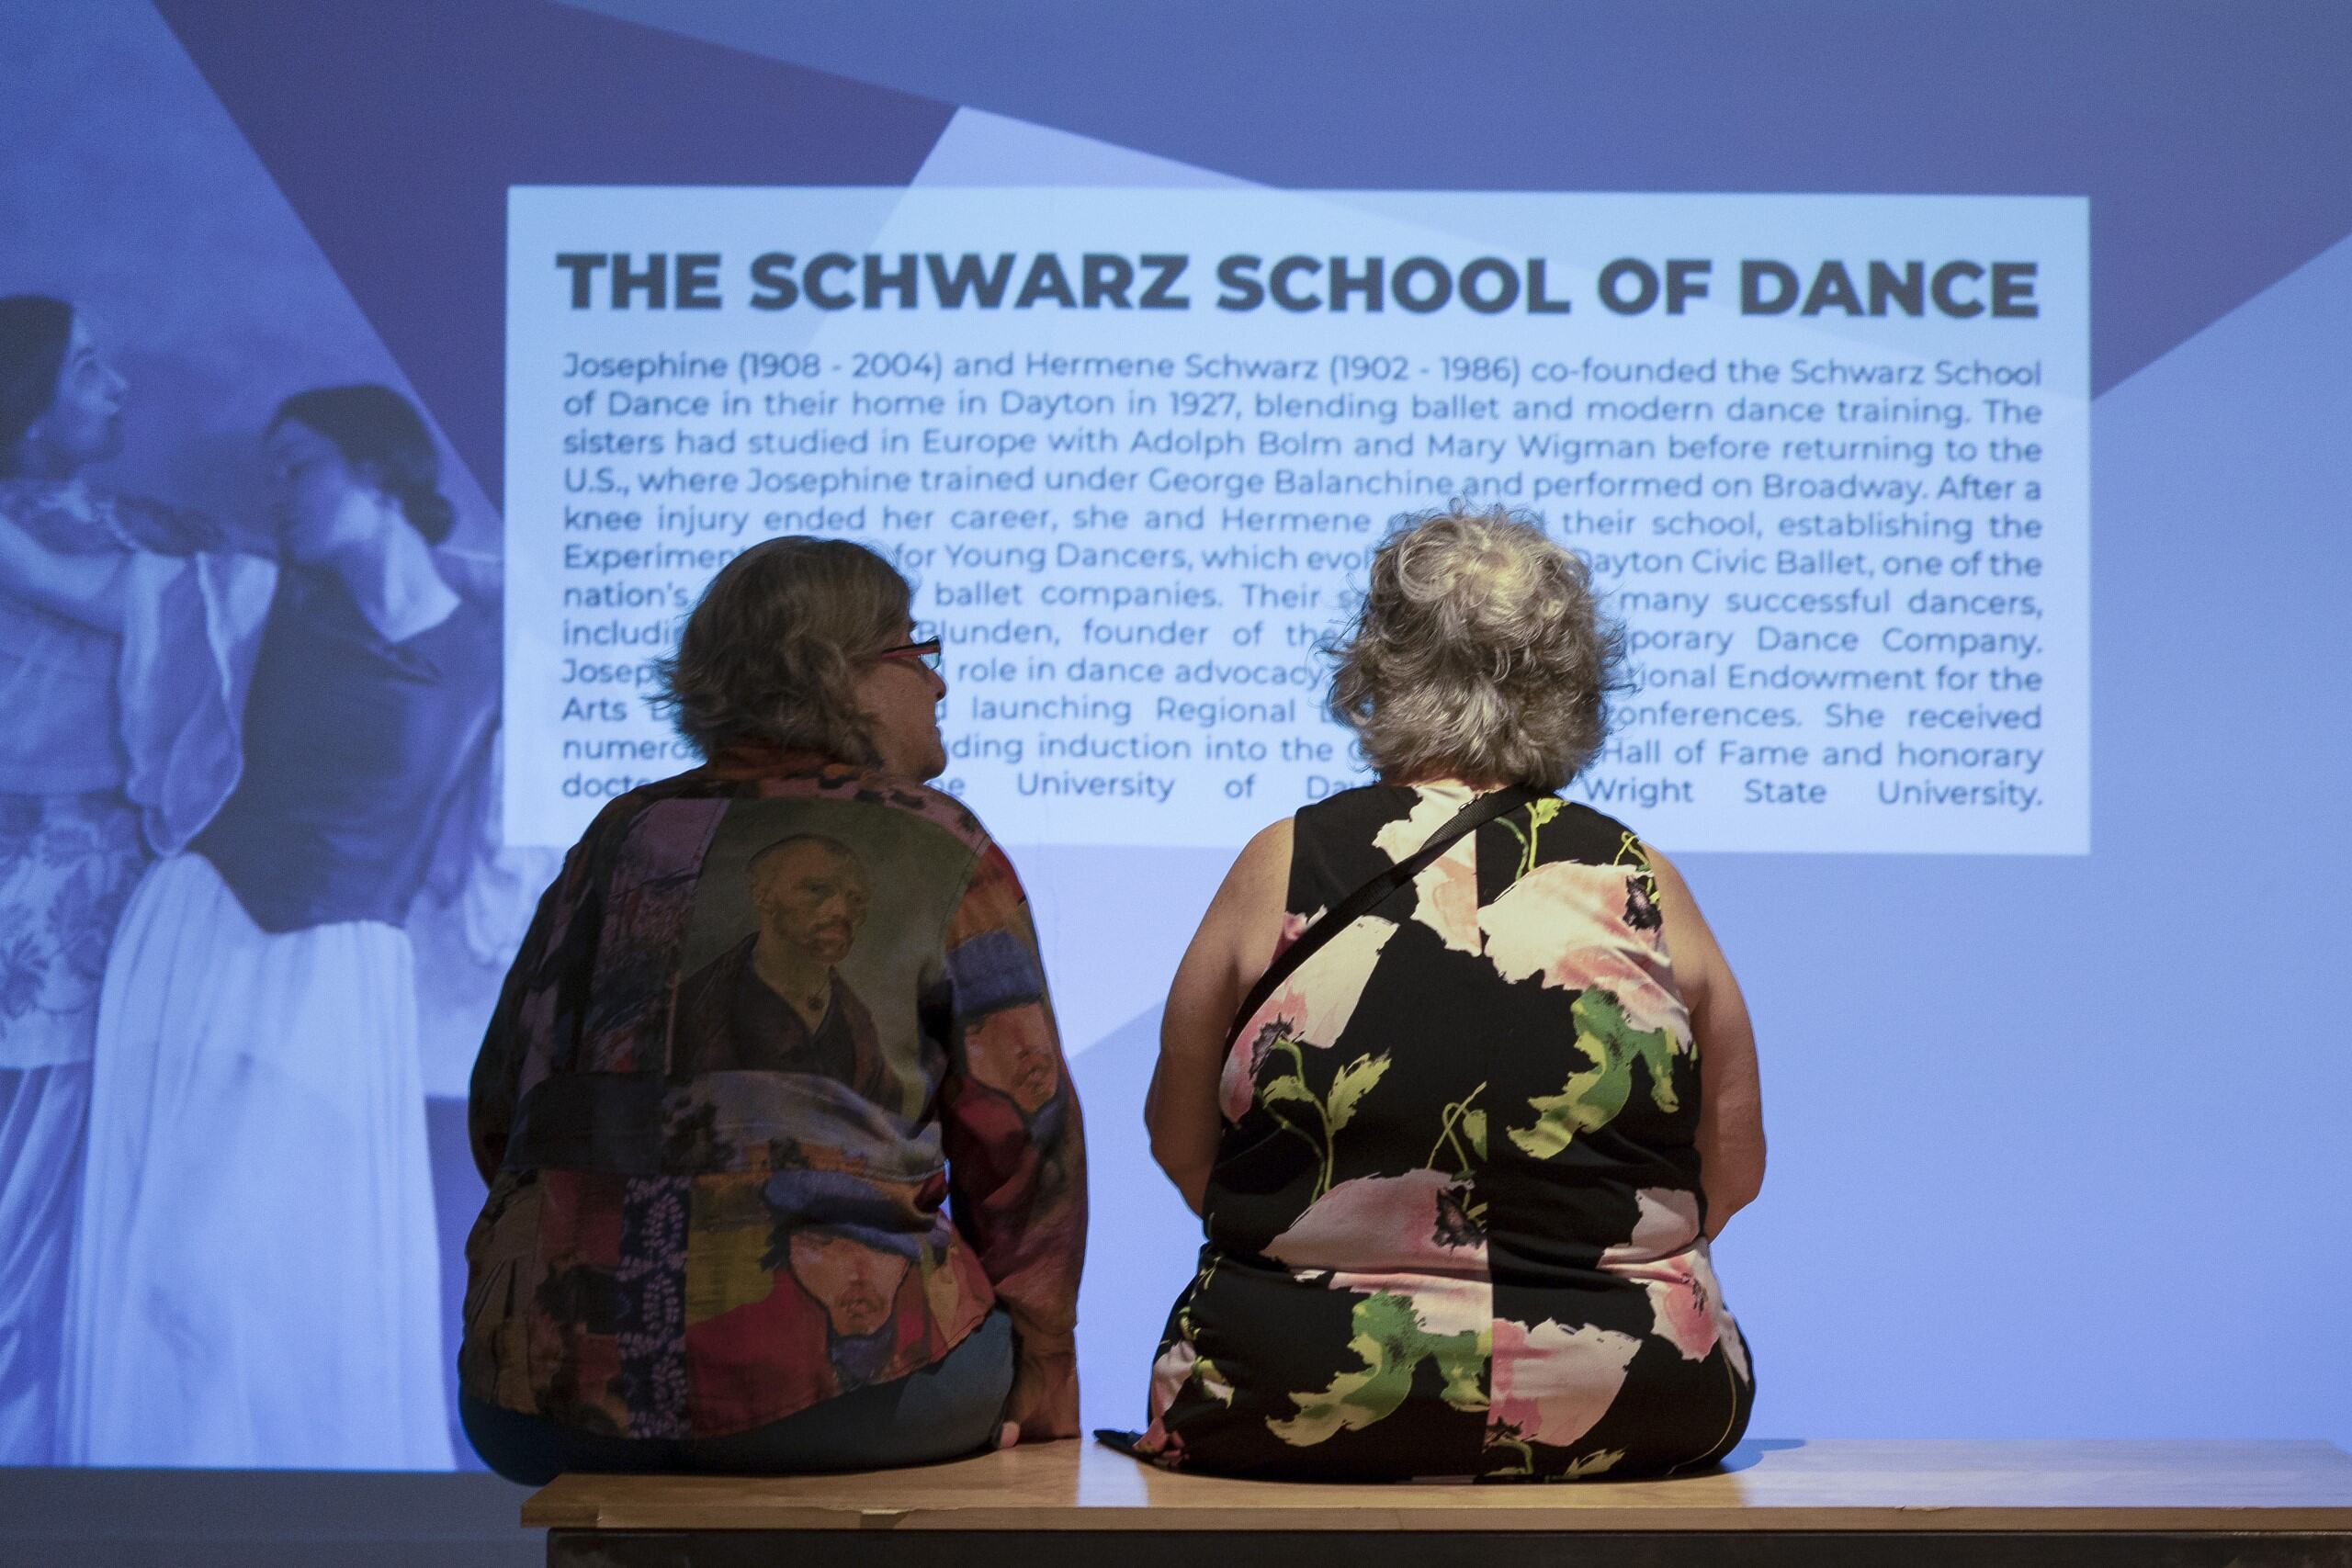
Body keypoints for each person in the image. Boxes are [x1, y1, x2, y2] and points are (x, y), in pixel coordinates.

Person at [1125, 506, 1765, 1482]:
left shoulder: (1281, 864)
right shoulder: (1639, 879)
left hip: (1285, 1391)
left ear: (1375, 669)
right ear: (1575, 683)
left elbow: (1181, 1145)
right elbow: (1734, 1168)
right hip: (1632, 1402)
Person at [458, 536, 1085, 1483]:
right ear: (840, 673)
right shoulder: (939, 845)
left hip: (541, 1405)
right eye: (915, 649)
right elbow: (1026, 1147)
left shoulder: (617, 835)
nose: (939, 682)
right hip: (846, 1392)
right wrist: (1046, 1359)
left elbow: (501, 1111)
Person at [61, 383, 494, 1468]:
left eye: (298, 466)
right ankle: (169, 1502)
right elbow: (52, 579)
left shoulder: (497, 644)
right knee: (183, 1257)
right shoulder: (254, 597)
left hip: (344, 974)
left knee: (296, 1266)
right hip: (210, 938)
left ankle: (288, 1511)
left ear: (379, 471)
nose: (277, 495)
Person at [0, 296, 262, 1463]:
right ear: (27, 402)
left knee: (94, 1181)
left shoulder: (143, 528)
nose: (116, 388)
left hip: (123, 899)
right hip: (39, 895)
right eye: (87, 368)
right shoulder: (106, 543)